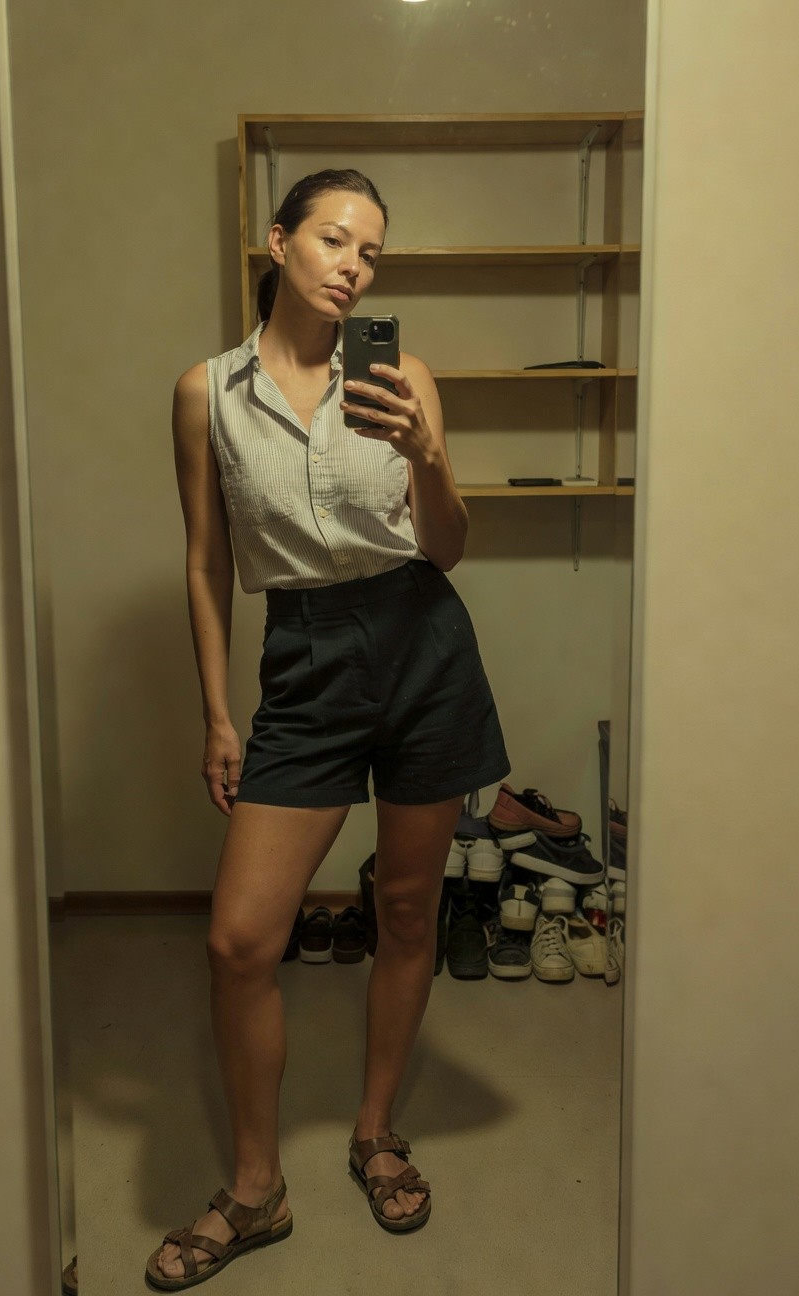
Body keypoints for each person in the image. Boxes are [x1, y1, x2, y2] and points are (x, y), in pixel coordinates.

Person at [145, 169, 509, 1290]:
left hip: (422, 642)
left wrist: (429, 454)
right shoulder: (207, 391)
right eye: (336, 240)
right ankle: (256, 1189)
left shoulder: (405, 376)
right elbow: (209, 561)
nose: (354, 265)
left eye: (373, 255)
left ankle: (374, 1130)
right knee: (241, 938)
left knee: (406, 905)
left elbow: (445, 547)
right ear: (279, 241)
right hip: (301, 655)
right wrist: (218, 711)